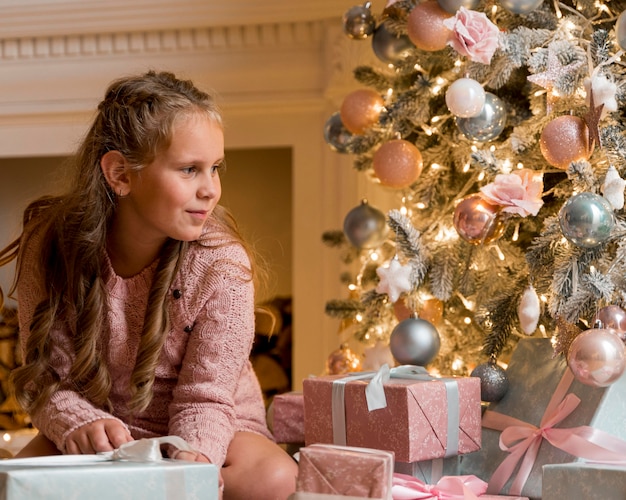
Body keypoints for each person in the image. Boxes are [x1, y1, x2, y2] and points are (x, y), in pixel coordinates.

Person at [0, 70, 298, 499]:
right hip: (100, 434)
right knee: (17, 485)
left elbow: (206, 398)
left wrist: (193, 462)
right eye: (190, 170)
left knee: (274, 478)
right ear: (120, 174)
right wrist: (78, 423)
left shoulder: (222, 265)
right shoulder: (48, 246)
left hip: (209, 429)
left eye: (215, 168)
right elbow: (45, 378)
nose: (210, 189)